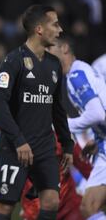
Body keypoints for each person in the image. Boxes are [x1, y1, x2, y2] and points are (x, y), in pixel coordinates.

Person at [0, 5, 74, 220]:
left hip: (44, 146)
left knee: (51, 201)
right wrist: (18, 140)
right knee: (5, 206)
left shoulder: (54, 65)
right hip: (16, 146)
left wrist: (67, 144)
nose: (60, 29)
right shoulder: (13, 61)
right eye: (55, 24)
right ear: (39, 29)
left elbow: (57, 108)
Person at [0, 96, 92, 220]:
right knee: (4, 205)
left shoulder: (59, 134)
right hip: (34, 211)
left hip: (69, 209)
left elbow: (85, 165)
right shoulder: (15, 137)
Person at [47, 35, 106, 220]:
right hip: (103, 143)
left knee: (89, 207)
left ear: (64, 48)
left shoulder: (76, 75)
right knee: (90, 207)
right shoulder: (79, 72)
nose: (46, 54)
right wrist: (98, 140)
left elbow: (97, 113)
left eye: (50, 49)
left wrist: (62, 126)